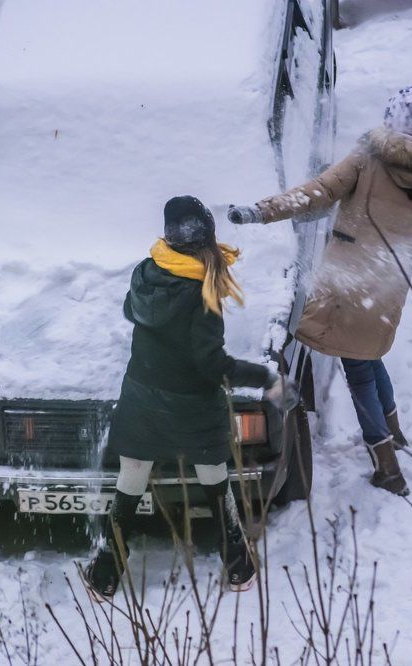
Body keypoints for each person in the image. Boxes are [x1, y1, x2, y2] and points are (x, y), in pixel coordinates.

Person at [227, 86, 412, 497]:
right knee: (370, 356)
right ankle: (393, 432)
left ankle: (387, 465)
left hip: (351, 276)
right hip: (390, 275)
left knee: (357, 369)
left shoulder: (370, 158)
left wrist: (262, 211)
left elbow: (318, 191)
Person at [85, 195, 296, 601]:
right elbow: (211, 364)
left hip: (142, 401)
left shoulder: (147, 272)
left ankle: (105, 574)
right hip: (192, 408)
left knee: (130, 482)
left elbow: (133, 312)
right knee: (216, 482)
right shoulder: (204, 293)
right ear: (207, 239)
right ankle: (237, 565)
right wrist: (265, 378)